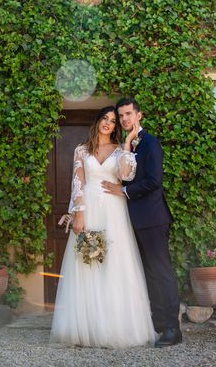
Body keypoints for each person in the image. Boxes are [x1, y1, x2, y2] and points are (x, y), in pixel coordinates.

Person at [50, 106, 157, 348]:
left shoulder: (120, 150)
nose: (108, 123)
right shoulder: (82, 149)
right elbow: (78, 182)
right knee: (88, 265)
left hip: (113, 212)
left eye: (112, 120)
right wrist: (78, 213)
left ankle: (114, 328)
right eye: (105, 118)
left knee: (113, 266)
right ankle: (89, 328)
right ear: (98, 121)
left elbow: (127, 175)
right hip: (89, 210)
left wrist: (129, 142)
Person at [102, 97, 182, 347]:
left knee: (161, 272)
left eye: (128, 114)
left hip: (153, 218)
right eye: (121, 115)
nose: (124, 119)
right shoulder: (127, 144)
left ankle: (172, 328)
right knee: (149, 274)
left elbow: (154, 181)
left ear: (139, 116)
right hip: (134, 220)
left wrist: (124, 192)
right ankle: (158, 325)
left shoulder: (150, 143)